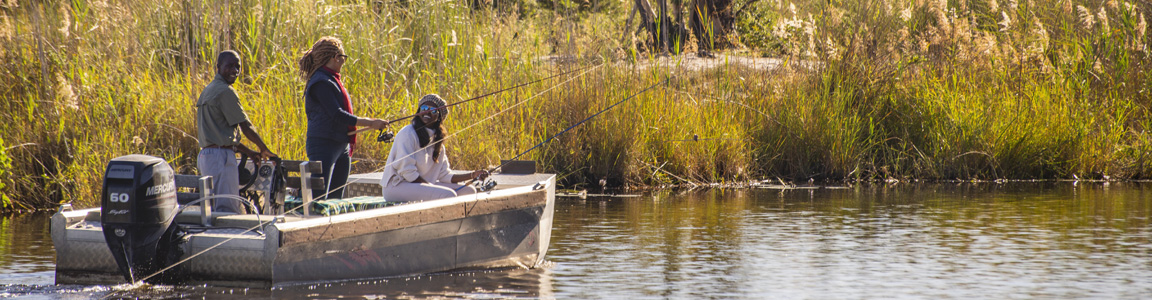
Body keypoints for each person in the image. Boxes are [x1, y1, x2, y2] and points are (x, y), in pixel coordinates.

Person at [299, 37, 389, 199]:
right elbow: (337, 114)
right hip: (323, 144)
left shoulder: (332, 79)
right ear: (335, 57)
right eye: (343, 58)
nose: (343, 62)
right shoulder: (321, 82)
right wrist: (371, 123)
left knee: (336, 196)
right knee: (318, 197)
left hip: (341, 144)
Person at [196, 50, 277, 213]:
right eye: (230, 66)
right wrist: (263, 149)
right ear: (218, 67)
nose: (235, 70)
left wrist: (248, 151)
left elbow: (220, 136)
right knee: (227, 209)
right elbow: (245, 126)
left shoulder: (208, 90)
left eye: (237, 66)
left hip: (207, 157)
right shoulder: (226, 91)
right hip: (220, 158)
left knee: (212, 209)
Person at [379, 94, 489, 202]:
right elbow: (407, 172)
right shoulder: (407, 133)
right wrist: (431, 189)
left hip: (420, 185)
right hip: (397, 187)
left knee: (468, 191)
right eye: (424, 108)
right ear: (419, 112)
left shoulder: (437, 141)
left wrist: (473, 175)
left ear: (439, 117)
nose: (427, 111)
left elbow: (445, 175)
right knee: (448, 195)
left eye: (433, 110)